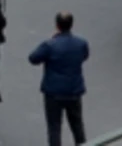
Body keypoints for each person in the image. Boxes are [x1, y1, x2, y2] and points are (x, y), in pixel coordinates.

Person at [29, 12, 90, 146]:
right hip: (74, 91)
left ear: (57, 26)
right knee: (77, 125)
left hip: (53, 93)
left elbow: (33, 58)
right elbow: (85, 56)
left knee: (54, 127)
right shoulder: (81, 43)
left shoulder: (50, 45)